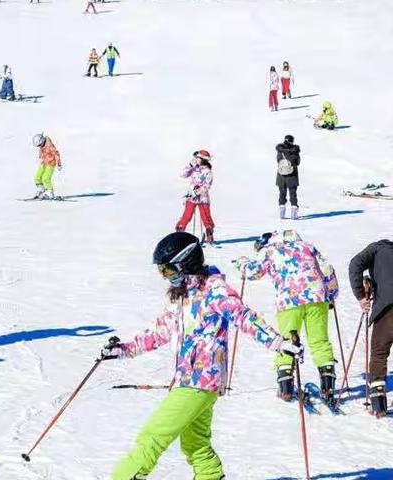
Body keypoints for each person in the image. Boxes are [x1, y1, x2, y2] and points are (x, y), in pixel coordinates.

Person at [101, 231, 303, 480]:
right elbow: (159, 332)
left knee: (151, 437)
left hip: (200, 380)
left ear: (187, 263)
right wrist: (123, 349)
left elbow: (243, 316)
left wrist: (277, 342)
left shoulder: (214, 289)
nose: (166, 278)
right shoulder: (180, 296)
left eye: (168, 271)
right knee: (195, 443)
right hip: (189, 380)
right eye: (162, 272)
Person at [232, 230, 339, 404]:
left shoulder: (271, 250)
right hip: (318, 298)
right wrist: (332, 293)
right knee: (319, 341)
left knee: (288, 341)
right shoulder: (308, 246)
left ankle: (286, 387)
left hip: (289, 299)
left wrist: (241, 263)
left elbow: (253, 272)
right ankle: (328, 387)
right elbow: (327, 270)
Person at [349, 240, 393, 418]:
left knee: (379, 353)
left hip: (388, 306)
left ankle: (378, 405)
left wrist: (361, 296)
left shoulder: (375, 249)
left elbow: (355, 264)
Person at [175, 150, 215, 244]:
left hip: (202, 198)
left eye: (197, 158)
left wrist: (198, 192)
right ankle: (179, 233)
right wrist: (190, 165)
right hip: (191, 197)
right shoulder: (193, 168)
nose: (195, 160)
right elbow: (183, 175)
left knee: (206, 217)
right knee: (186, 215)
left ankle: (209, 235)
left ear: (203, 160)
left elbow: (207, 185)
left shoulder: (208, 172)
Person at [276, 135, 301, 220]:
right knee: (293, 193)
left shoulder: (280, 151)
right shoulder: (295, 151)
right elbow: (297, 162)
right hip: (292, 175)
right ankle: (294, 212)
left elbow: (278, 160)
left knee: (282, 193)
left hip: (281, 175)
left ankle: (282, 213)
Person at [32, 133, 62, 200]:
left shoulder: (50, 146)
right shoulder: (42, 146)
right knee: (37, 177)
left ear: (42, 141)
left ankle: (50, 192)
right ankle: (41, 190)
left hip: (50, 163)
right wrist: (40, 157)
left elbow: (56, 154)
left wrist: (59, 163)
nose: (39, 146)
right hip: (43, 162)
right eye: (38, 146)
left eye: (40, 145)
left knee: (46, 178)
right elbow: (41, 152)